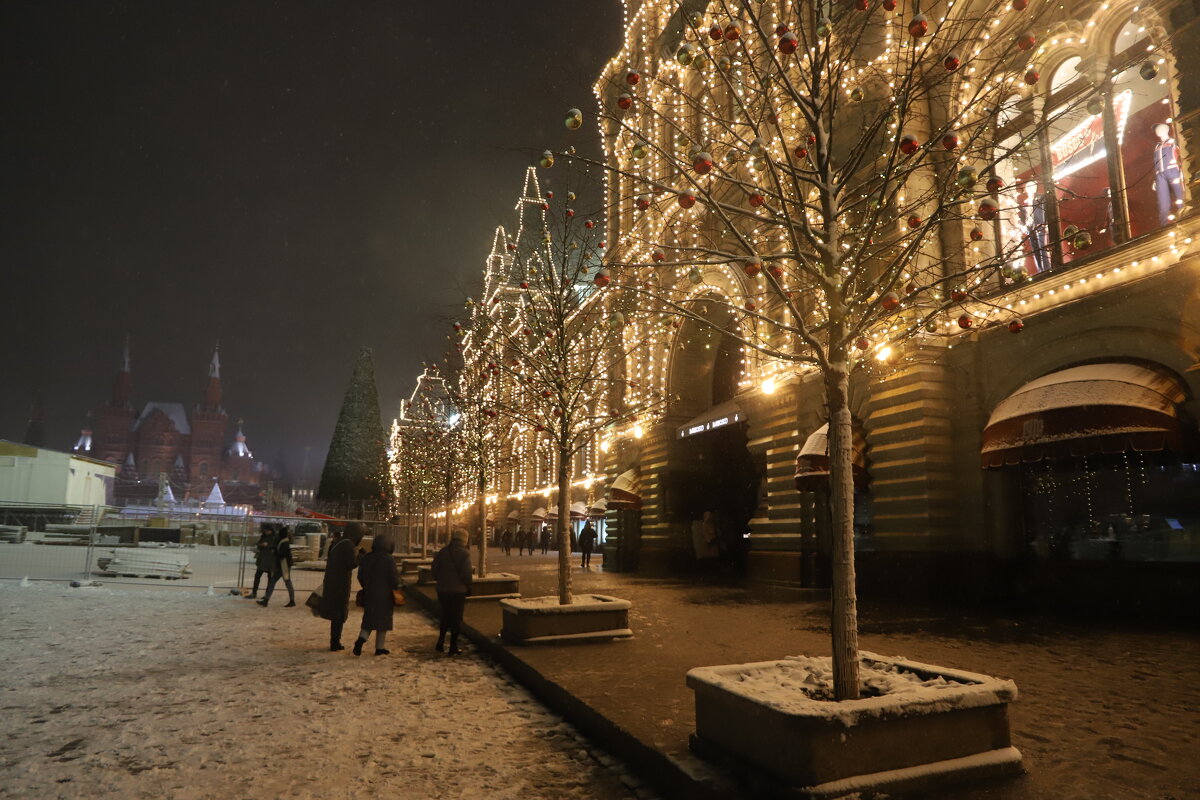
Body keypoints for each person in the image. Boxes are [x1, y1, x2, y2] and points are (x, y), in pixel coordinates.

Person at [317, 523, 365, 652]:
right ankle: (335, 642)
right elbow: (352, 564)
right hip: (340, 583)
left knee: (336, 614)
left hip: (332, 582)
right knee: (339, 613)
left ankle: (335, 640)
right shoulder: (348, 545)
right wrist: (360, 555)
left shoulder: (339, 542)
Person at [352, 533, 400, 656]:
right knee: (383, 622)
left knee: (369, 619)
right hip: (385, 595)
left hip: (370, 593)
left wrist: (367, 587)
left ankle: (360, 640)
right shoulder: (389, 559)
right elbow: (393, 577)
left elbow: (360, 576)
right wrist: (395, 587)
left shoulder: (367, 557)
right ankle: (379, 648)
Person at [431, 527, 472, 656]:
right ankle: (453, 646)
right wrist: (469, 587)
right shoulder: (465, 554)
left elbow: (434, 570)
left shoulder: (443, 551)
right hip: (458, 591)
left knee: (444, 616)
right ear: (465, 540)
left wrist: (442, 580)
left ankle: (440, 642)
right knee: (456, 618)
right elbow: (466, 574)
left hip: (442, 590)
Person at [258, 525, 296, 607]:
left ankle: (267, 600)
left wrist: (275, 552)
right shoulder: (284, 542)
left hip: (283, 565)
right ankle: (291, 600)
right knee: (284, 582)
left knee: (279, 581)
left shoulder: (284, 543)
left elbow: (283, 554)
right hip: (283, 565)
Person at [247, 523, 277, 599]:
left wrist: (268, 546)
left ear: (270, 530)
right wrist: (261, 545)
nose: (265, 532)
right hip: (262, 559)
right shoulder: (263, 536)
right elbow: (259, 544)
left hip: (270, 560)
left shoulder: (275, 537)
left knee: (270, 578)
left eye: (267, 531)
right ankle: (254, 592)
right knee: (257, 576)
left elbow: (276, 547)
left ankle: (267, 594)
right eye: (265, 531)